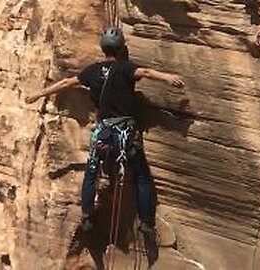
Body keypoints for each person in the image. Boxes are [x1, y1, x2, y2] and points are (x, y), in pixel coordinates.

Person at [25, 27, 185, 237]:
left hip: (103, 132)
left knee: (91, 173)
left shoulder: (92, 71)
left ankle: (88, 217)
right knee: (141, 176)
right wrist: (167, 77)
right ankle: (146, 223)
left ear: (103, 48)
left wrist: (39, 93)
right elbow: (145, 72)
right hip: (125, 133)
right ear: (122, 49)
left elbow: (66, 82)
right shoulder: (126, 68)